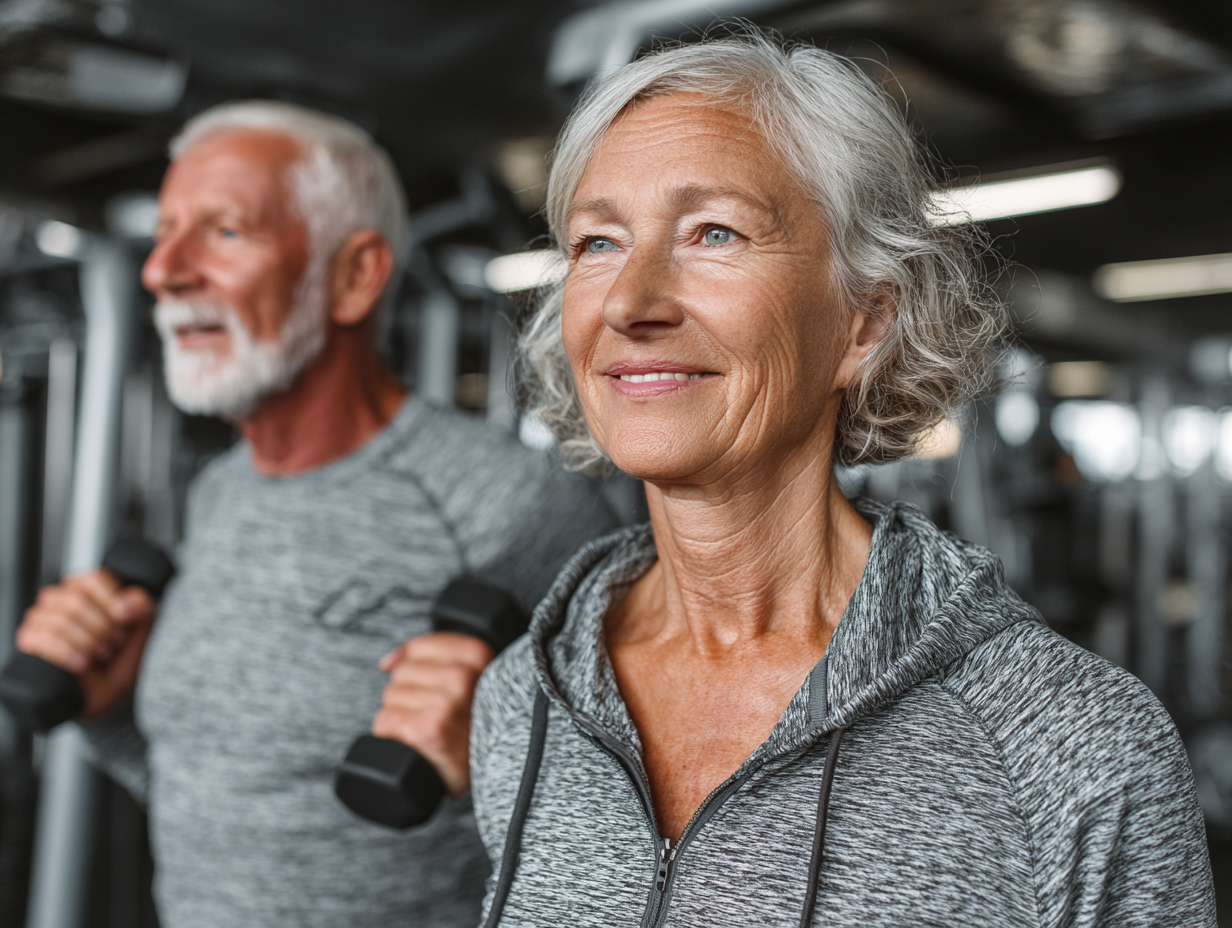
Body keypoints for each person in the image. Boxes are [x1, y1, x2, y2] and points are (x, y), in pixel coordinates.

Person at [469, 34, 1216, 927]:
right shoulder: (522, 700)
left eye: (715, 232)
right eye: (599, 241)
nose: (631, 302)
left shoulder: (1073, 747)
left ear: (863, 321)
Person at [15, 101, 615, 928]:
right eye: (165, 233)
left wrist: (506, 760)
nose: (162, 270)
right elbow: (230, 808)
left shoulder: (509, 506)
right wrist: (110, 712)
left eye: (224, 232)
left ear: (353, 276)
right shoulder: (222, 492)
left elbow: (651, 829)